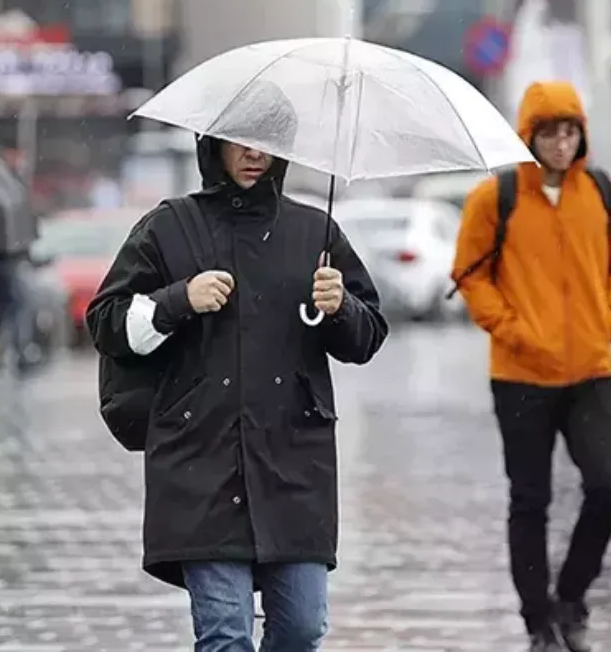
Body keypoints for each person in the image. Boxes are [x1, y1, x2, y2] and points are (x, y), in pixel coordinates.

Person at [85, 84, 388, 652]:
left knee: (301, 628)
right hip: (200, 465)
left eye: (267, 141)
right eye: (241, 141)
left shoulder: (315, 233)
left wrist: (339, 306)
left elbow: (367, 337)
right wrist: (179, 300)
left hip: (294, 467)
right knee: (225, 634)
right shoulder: (169, 226)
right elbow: (105, 323)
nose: (254, 153)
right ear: (213, 144)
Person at [450, 80, 611, 652]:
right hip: (520, 377)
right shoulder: (496, 197)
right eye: (549, 133)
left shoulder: (603, 193)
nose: (560, 144)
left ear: (582, 135)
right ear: (528, 136)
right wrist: (511, 328)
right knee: (530, 500)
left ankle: (572, 596)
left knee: (607, 486)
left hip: (589, 370)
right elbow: (469, 274)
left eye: (570, 132)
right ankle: (539, 621)